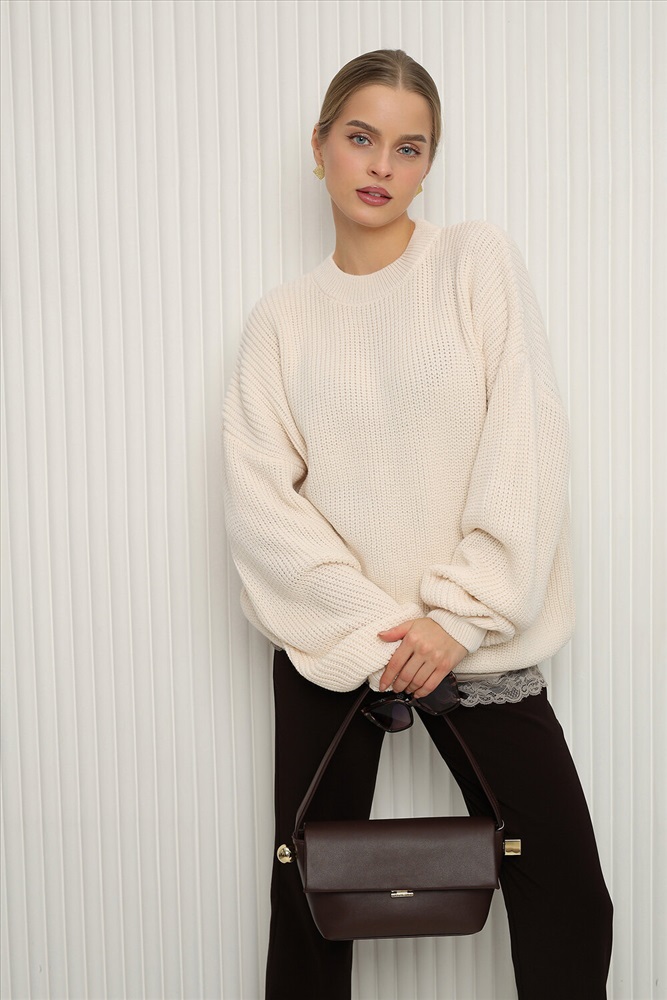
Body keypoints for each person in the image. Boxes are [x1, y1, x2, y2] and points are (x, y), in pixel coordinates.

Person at [222, 49, 612, 1000]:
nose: (381, 166)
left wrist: (455, 619)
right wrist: (381, 635)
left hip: (472, 638)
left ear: (429, 164)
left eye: (408, 147)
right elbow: (262, 508)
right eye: (360, 138)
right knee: (308, 903)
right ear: (319, 146)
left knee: (565, 891)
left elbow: (525, 443)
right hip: (334, 642)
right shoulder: (281, 321)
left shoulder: (474, 261)